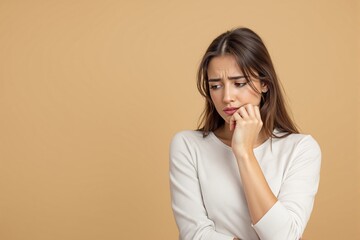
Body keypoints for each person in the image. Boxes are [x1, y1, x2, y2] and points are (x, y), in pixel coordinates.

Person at [169, 27, 321, 240]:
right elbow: (194, 234)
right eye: (215, 86)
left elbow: (285, 237)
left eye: (239, 83)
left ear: (265, 84)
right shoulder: (187, 145)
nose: (227, 97)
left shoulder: (300, 149)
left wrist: (244, 152)